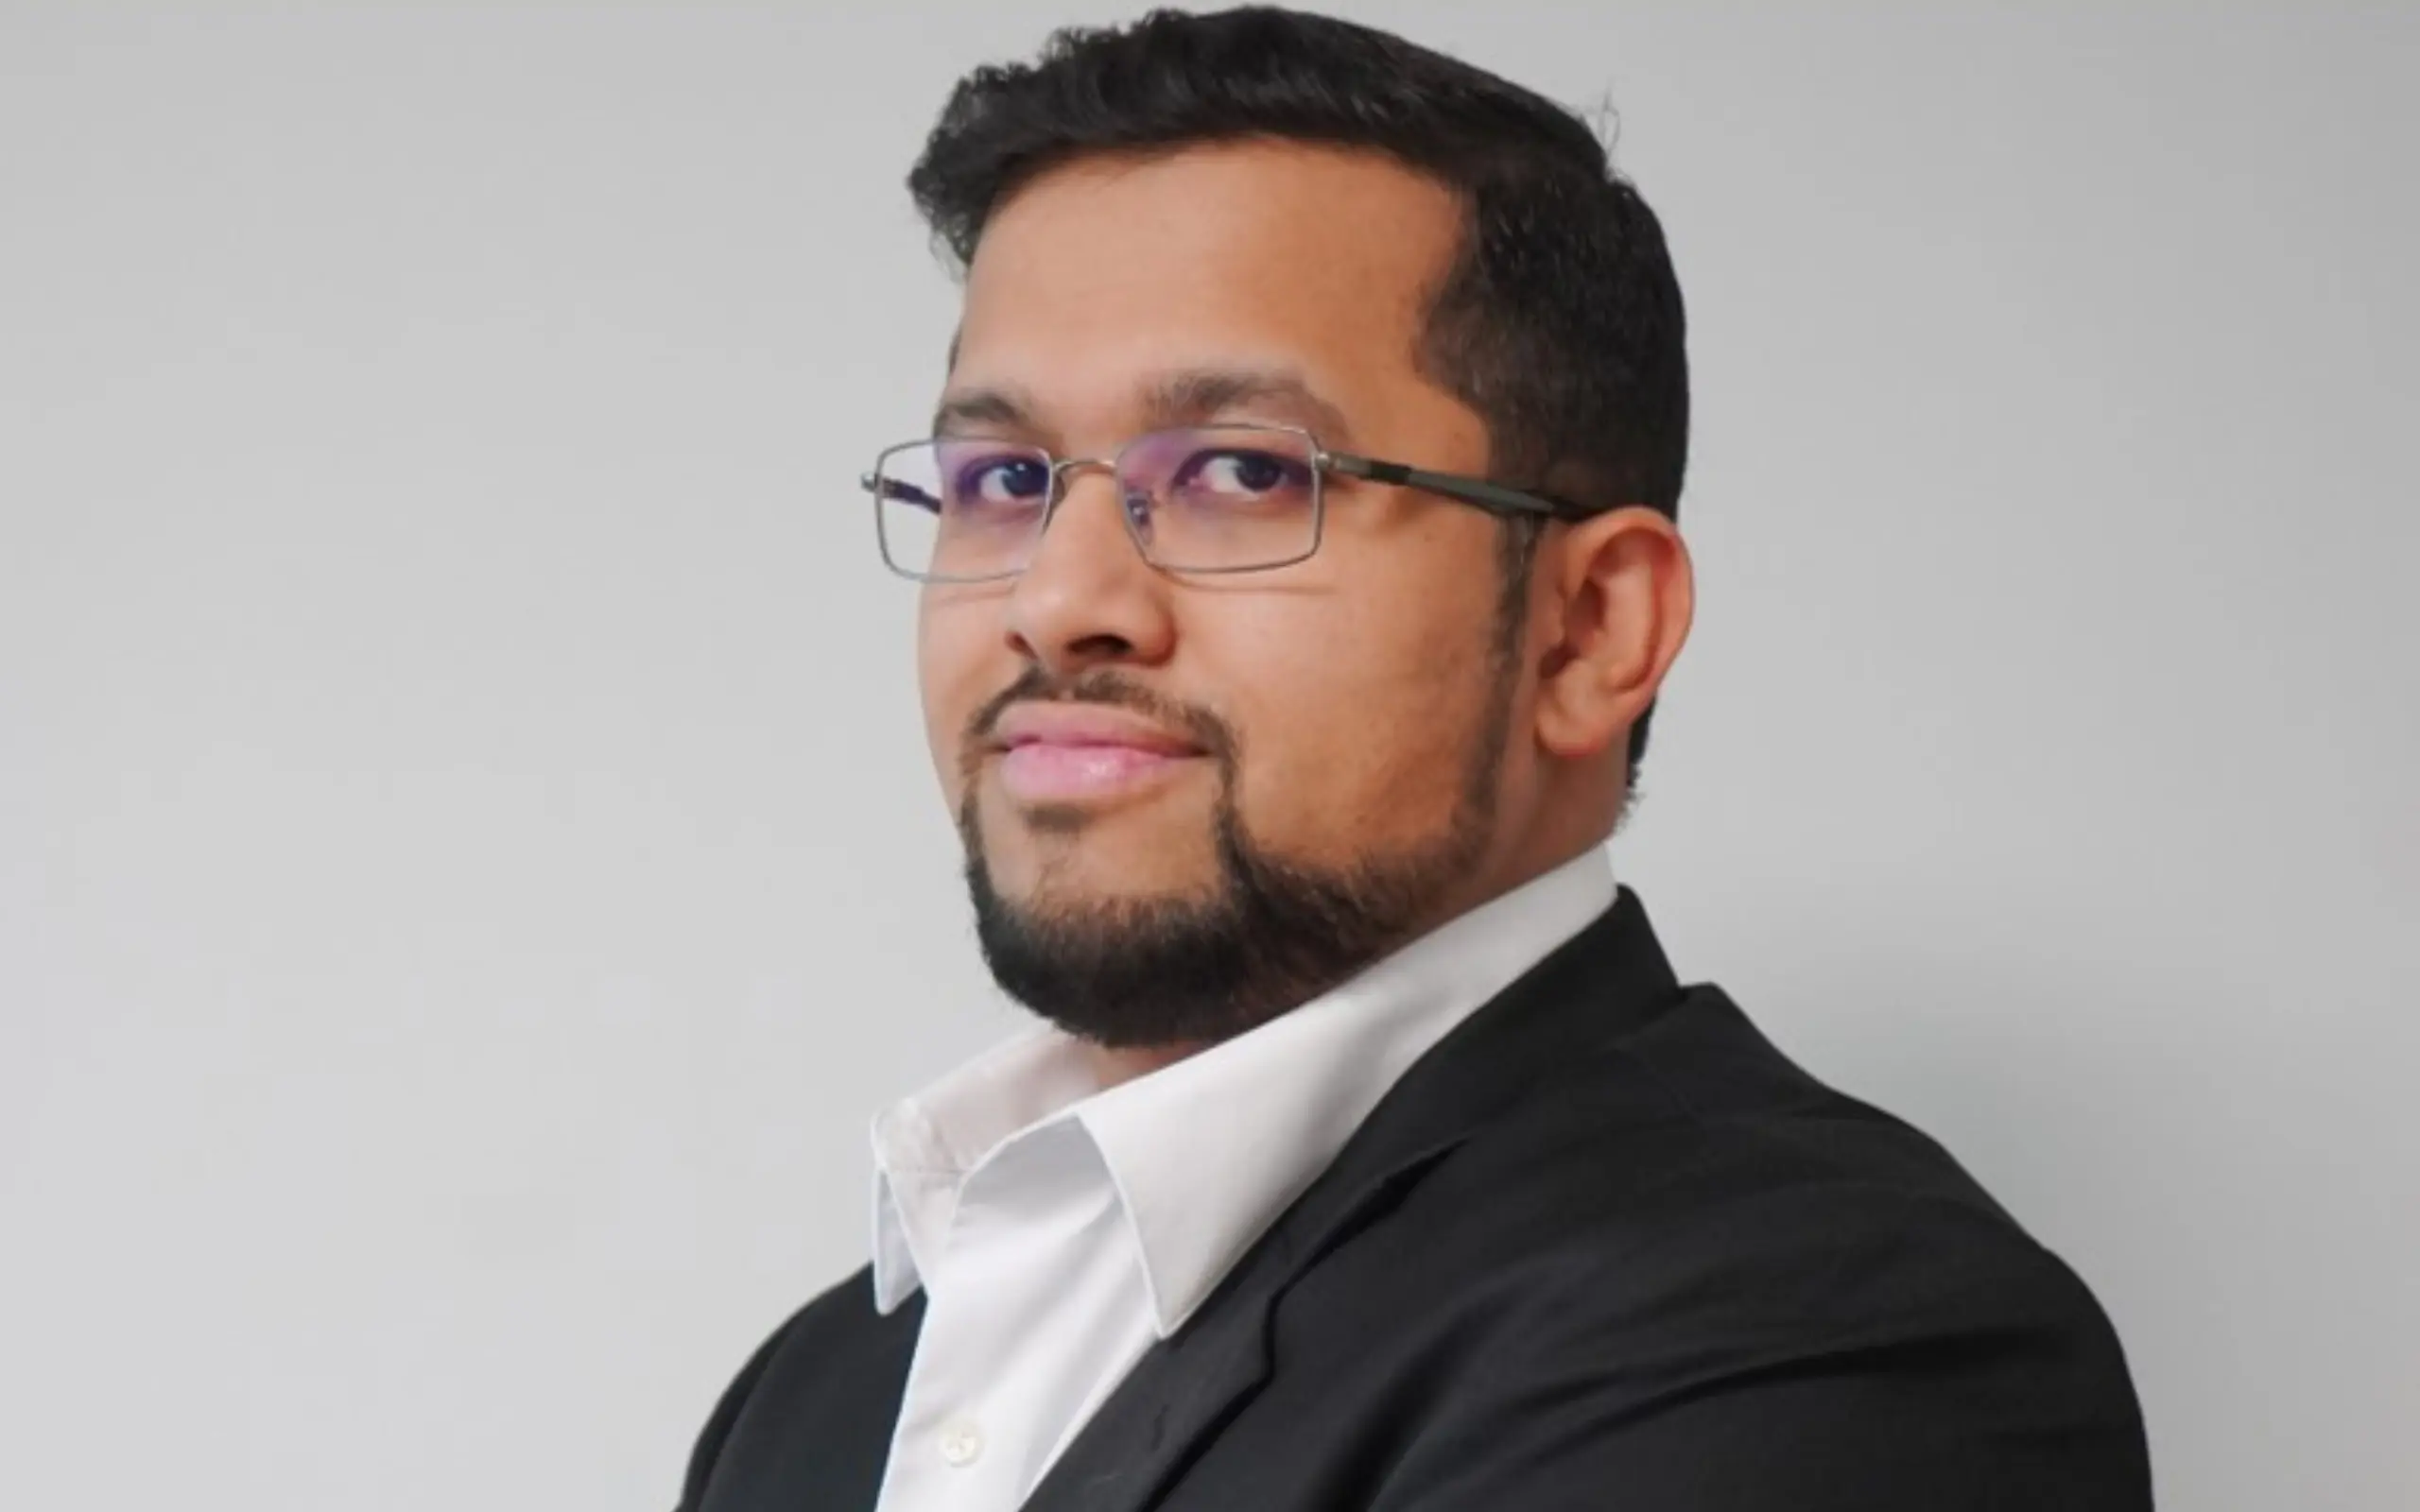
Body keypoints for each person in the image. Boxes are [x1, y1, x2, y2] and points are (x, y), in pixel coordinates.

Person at [673, 9, 2151, 1509]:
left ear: (1590, 630)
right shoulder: (821, 1396)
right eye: (1002, 478)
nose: (1058, 601)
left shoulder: (1831, 1337)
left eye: (1244, 472)